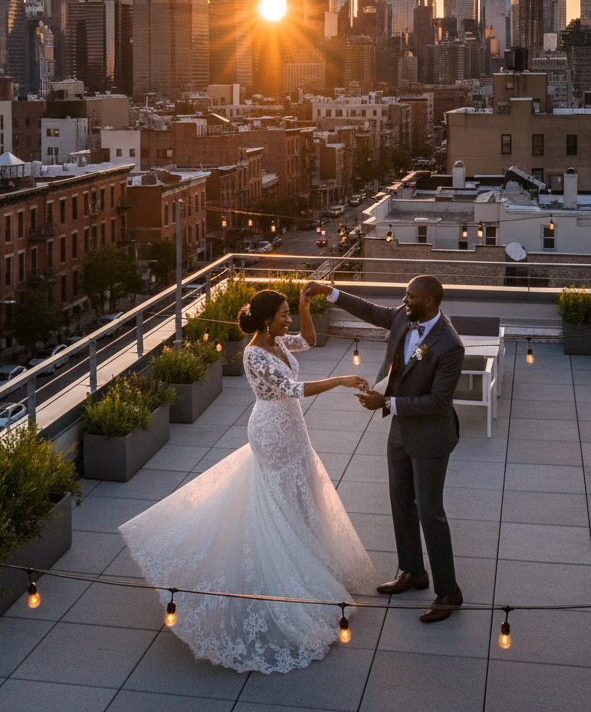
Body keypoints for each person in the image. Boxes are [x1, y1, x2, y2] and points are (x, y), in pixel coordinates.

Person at [119, 285, 374, 673]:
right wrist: (340, 381)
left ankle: (305, 559)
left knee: (300, 493)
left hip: (292, 430)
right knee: (275, 500)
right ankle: (278, 575)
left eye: (290, 312)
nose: (289, 319)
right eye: (285, 313)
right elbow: (292, 389)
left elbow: (308, 340)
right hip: (271, 430)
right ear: (267, 319)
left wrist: (306, 308)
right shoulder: (254, 353)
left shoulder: (277, 340)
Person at [303, 276, 465, 623]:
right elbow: (368, 310)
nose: (404, 300)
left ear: (432, 301)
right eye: (405, 294)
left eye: (411, 296)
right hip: (400, 431)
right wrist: (328, 291)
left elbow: (438, 403)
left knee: (430, 512)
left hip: (432, 437)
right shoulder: (404, 318)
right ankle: (412, 571)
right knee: (400, 501)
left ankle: (449, 591)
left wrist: (387, 401)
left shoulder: (450, 345)